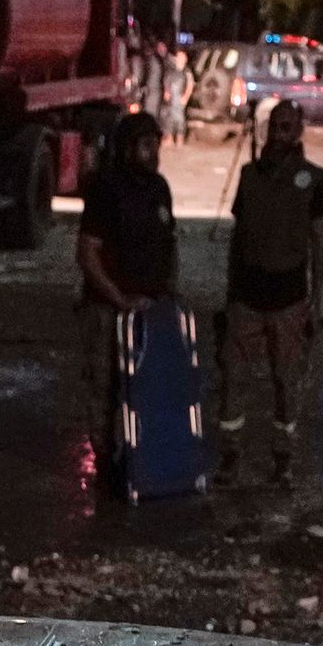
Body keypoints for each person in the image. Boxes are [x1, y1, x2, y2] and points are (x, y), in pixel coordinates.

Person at [217, 98, 323, 483]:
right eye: (274, 126)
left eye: (287, 127)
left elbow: (319, 243)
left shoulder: (313, 180)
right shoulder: (249, 176)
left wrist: (316, 301)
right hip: (248, 294)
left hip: (288, 297)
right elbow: (238, 236)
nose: (279, 135)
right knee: (235, 376)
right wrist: (230, 292)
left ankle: (283, 456)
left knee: (286, 378)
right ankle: (231, 454)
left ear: (298, 132)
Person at [73, 112, 178, 488]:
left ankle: (142, 458)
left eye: (156, 144)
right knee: (105, 386)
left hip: (149, 311)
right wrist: (119, 299)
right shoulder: (105, 189)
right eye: (146, 145)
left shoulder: (158, 188)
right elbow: (87, 254)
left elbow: (169, 244)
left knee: (147, 387)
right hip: (108, 309)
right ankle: (105, 462)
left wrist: (168, 295)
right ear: (128, 148)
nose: (154, 153)